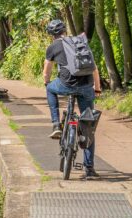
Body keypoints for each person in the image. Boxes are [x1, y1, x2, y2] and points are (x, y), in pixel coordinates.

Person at [43, 19, 101, 180]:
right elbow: (94, 68)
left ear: (51, 34)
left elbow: (46, 71)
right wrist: (97, 88)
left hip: (65, 85)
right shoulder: (80, 42)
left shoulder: (53, 47)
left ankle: (56, 124)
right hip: (87, 86)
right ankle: (89, 168)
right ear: (64, 30)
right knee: (87, 125)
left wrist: (46, 82)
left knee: (50, 89)